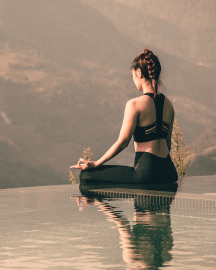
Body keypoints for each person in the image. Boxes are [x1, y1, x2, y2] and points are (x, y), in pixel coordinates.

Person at [71, 49, 178, 184]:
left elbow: (123, 142)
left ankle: (103, 206)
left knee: (86, 176)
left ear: (139, 73)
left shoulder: (134, 104)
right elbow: (168, 144)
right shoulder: (169, 105)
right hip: (169, 172)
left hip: (146, 173)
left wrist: (96, 163)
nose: (133, 80)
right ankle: (105, 206)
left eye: (133, 75)